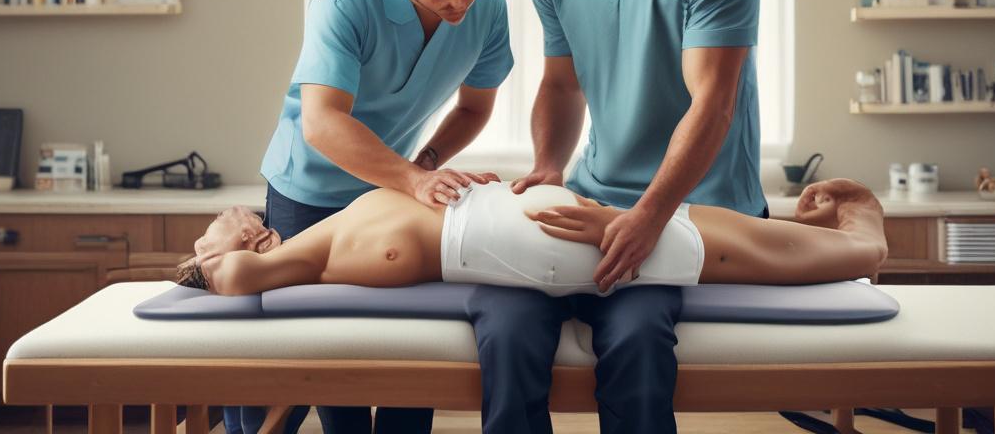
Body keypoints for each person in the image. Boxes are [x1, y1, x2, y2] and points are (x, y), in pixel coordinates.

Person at [468, 0, 767, 434]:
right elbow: (561, 85)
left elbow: (712, 104)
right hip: (593, 195)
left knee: (633, 341)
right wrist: (549, 167)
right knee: (508, 327)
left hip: (695, 207)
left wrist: (649, 216)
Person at [235, 0, 514, 434]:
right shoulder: (343, 3)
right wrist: (412, 180)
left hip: (390, 191)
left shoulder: (489, 7)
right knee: (307, 358)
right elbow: (322, 122)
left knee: (405, 349)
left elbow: (476, 107)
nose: (459, 2)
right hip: (307, 193)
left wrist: (427, 164)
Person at [175, 178, 887, 299]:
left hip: (543, 220)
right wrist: (209, 259)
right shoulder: (294, 258)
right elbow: (230, 281)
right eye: (219, 221)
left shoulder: (330, 231)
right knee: (728, 249)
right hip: (553, 245)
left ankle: (832, 229)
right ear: (247, 241)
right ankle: (865, 244)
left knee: (729, 237)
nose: (230, 211)